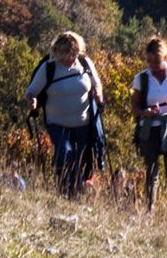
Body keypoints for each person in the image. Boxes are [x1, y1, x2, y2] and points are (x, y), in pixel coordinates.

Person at [24, 31, 106, 199]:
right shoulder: (49, 67)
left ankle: (73, 196)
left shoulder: (85, 63)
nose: (72, 58)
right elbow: (32, 91)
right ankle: (63, 191)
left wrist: (98, 94)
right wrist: (32, 101)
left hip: (83, 124)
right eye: (68, 54)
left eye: (75, 53)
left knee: (79, 161)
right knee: (65, 154)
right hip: (57, 124)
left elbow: (97, 84)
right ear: (59, 52)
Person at [130, 35, 167, 220]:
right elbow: (134, 107)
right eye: (149, 61)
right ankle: (149, 211)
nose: (152, 65)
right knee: (151, 171)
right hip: (150, 128)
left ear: (164, 58)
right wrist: (146, 112)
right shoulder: (141, 79)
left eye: (156, 61)